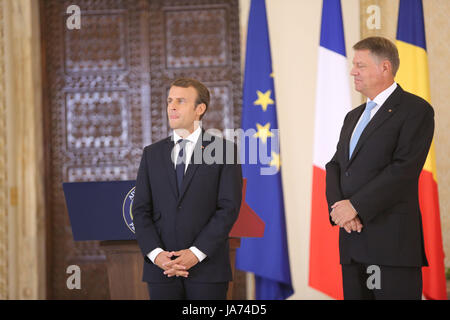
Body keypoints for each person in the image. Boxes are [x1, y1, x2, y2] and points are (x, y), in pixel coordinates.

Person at [326, 37, 434, 300]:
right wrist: (340, 208)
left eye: (360, 65)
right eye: (354, 65)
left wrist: (356, 206)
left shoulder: (416, 110)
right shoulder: (353, 116)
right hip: (352, 241)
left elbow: (403, 170)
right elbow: (335, 165)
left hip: (391, 246)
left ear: (385, 67)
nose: (353, 71)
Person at [132, 78, 242, 300]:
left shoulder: (224, 150)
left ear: (199, 109)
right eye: (170, 101)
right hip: (162, 271)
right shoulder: (152, 154)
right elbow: (141, 210)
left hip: (207, 271)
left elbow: (228, 209)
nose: (171, 107)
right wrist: (156, 255)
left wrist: (196, 253)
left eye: (180, 101)